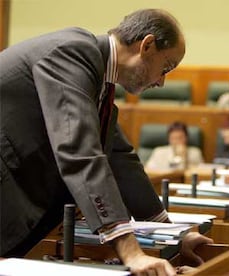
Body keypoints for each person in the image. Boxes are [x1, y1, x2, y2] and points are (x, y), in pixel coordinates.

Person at [0, 8, 212, 275]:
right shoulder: (74, 53)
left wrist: (172, 233)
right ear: (146, 45)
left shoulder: (98, 75)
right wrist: (130, 251)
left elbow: (120, 158)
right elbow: (80, 152)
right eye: (165, 67)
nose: (161, 82)